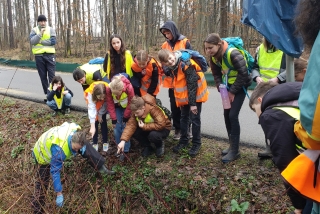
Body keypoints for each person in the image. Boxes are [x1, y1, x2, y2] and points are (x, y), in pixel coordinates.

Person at [249, 81, 312, 214]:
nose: (258, 117)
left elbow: (286, 161)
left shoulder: (271, 115)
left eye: (255, 109)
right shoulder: (299, 93)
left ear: (260, 99)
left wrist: (298, 205)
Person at [31, 122, 114, 213]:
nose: (77, 151)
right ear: (71, 142)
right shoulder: (60, 151)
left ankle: (100, 166)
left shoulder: (74, 132)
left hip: (52, 140)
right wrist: (59, 193)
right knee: (42, 183)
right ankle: (37, 210)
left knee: (86, 146)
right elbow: (55, 172)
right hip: (42, 155)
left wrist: (81, 148)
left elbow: (76, 133)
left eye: (78, 149)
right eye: (75, 149)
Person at [204, 33, 252, 163]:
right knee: (226, 115)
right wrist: (221, 89)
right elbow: (216, 74)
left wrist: (233, 92)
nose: (208, 51)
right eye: (206, 48)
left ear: (219, 45)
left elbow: (244, 73)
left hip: (241, 85)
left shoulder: (233, 53)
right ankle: (232, 146)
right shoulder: (214, 57)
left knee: (233, 115)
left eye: (210, 48)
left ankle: (235, 151)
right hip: (228, 86)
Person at [158, 49, 209, 157]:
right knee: (184, 117)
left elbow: (192, 84)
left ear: (173, 55)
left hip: (195, 96)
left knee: (195, 119)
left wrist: (192, 104)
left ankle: (196, 143)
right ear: (164, 63)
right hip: (186, 97)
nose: (170, 62)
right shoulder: (173, 67)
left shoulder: (186, 63)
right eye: (167, 61)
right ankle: (184, 140)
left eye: (171, 58)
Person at [251, 37, 286, 158]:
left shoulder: (285, 48)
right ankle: (269, 148)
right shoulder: (260, 49)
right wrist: (256, 77)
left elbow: (293, 67)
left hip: (279, 88)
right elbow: (254, 67)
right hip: (263, 89)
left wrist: (278, 79)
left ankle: (278, 149)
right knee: (265, 119)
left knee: (278, 120)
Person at [159, 20, 192, 140]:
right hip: (172, 82)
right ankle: (177, 129)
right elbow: (162, 61)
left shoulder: (184, 42)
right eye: (165, 34)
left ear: (173, 30)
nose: (167, 36)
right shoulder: (164, 45)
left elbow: (191, 56)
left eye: (168, 33)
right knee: (174, 107)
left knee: (185, 107)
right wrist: (166, 69)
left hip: (183, 80)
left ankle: (187, 129)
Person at [106, 75, 134, 161]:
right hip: (117, 107)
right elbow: (110, 104)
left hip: (127, 108)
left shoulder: (129, 88)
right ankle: (119, 148)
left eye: (117, 94)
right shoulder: (108, 89)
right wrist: (113, 119)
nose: (116, 95)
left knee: (125, 128)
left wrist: (126, 116)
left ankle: (125, 150)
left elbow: (131, 102)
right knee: (117, 128)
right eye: (114, 94)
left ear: (122, 89)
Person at [29, 15, 56, 102]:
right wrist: (40, 34)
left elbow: (53, 42)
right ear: (38, 22)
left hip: (50, 55)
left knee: (52, 76)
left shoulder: (50, 29)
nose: (43, 23)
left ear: (46, 21)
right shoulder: (34, 30)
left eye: (44, 21)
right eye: (41, 21)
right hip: (39, 56)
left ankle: (52, 94)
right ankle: (48, 94)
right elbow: (32, 41)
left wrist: (40, 41)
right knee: (43, 76)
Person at [84, 81, 109, 151]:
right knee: (94, 126)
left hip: (102, 109)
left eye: (103, 97)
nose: (102, 99)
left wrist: (100, 114)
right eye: (100, 97)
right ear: (95, 95)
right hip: (94, 107)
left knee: (103, 123)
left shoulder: (107, 91)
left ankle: (105, 142)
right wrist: (92, 125)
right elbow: (91, 108)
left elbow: (105, 104)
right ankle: (95, 143)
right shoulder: (90, 93)